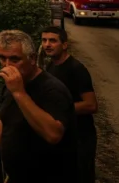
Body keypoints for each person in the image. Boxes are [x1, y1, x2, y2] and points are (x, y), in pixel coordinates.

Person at [0, 30, 78, 183]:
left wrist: (19, 93)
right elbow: (6, 116)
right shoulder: (14, 83)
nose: (7, 66)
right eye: (3, 58)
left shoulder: (52, 90)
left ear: (32, 59)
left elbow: (53, 134)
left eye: (15, 59)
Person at [41, 27, 97, 183]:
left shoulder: (76, 69)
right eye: (44, 40)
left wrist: (59, 110)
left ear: (64, 45)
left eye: (53, 40)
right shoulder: (51, 67)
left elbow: (91, 105)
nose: (47, 45)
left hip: (81, 138)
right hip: (64, 138)